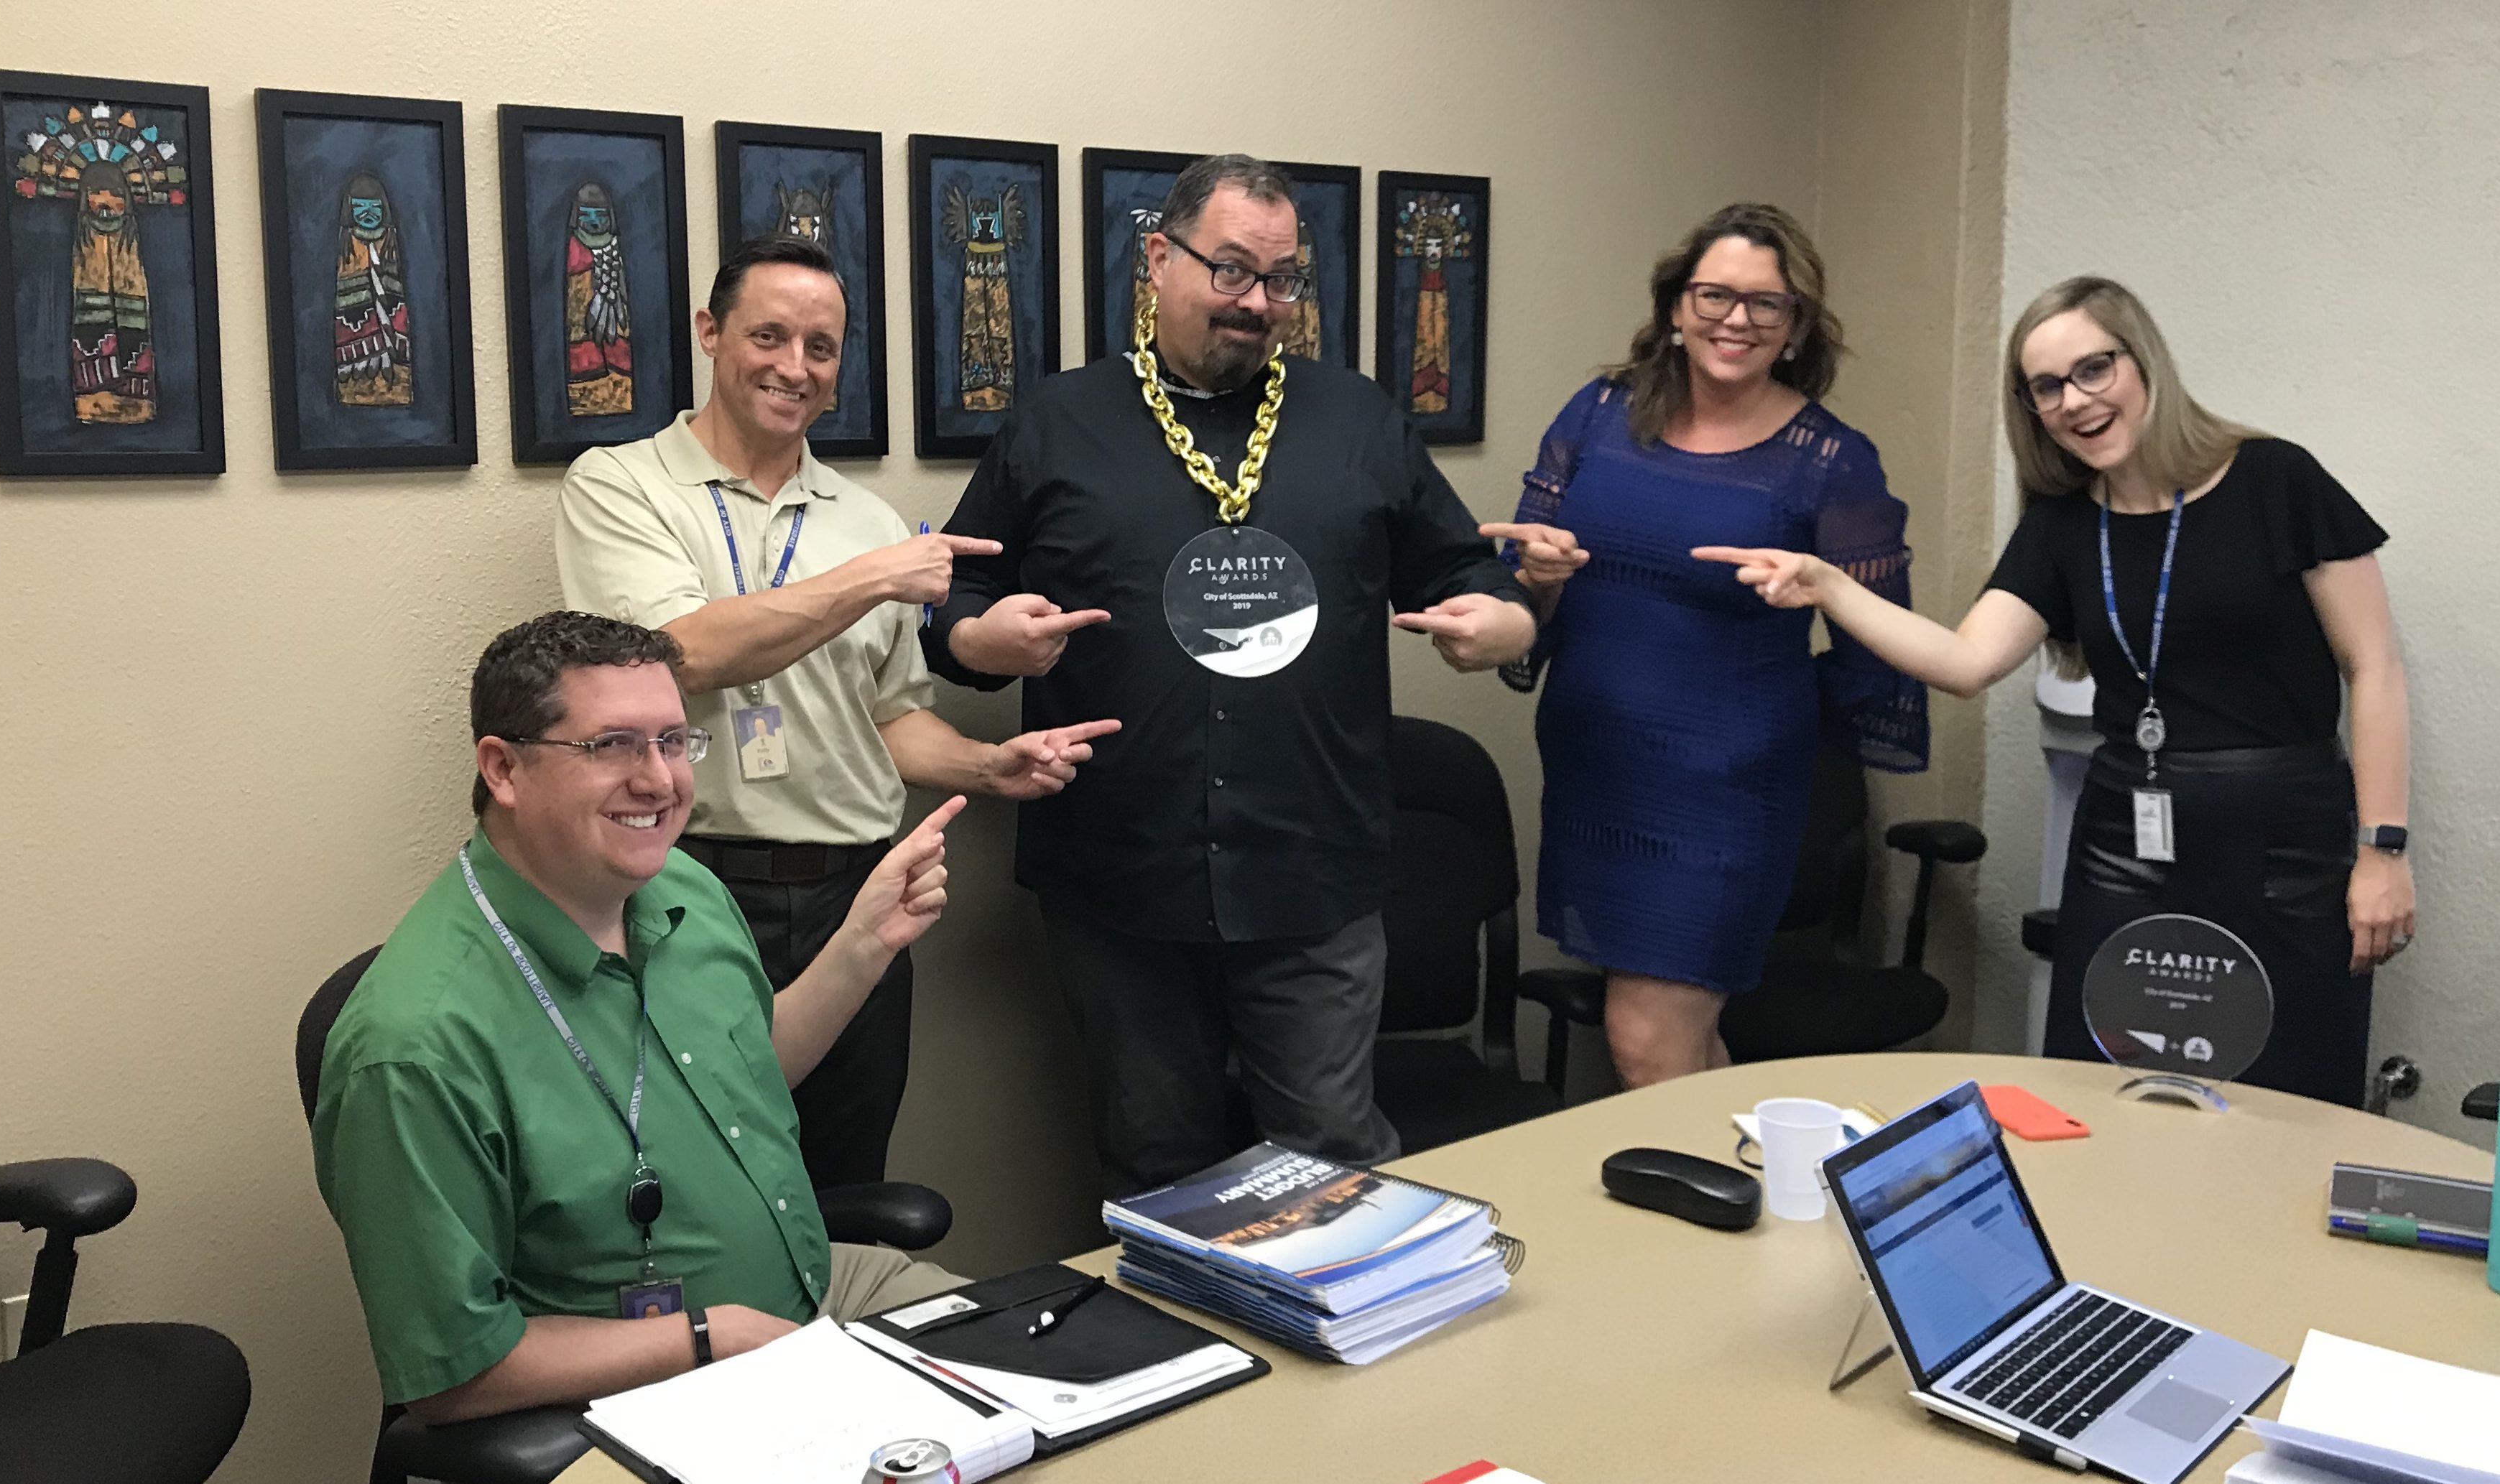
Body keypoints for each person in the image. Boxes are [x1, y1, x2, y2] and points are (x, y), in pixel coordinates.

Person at [923, 154, 1537, 1195]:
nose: (1260, 304)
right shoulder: (1055, 423)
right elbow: (953, 595)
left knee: (1331, 1170)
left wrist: (1506, 617)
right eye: (1233, 272)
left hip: (1312, 872)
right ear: (1157, 259)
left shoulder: (1358, 421)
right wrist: (978, 641)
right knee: (1152, 1168)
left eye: (1284, 279)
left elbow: (1467, 567)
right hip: (1120, 880)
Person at [1698, 276, 2412, 1108]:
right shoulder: (2063, 524)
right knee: (2110, 1092)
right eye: (2046, 386)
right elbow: (1965, 662)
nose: (2074, 400)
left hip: (2287, 839)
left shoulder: (2273, 478)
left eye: (2092, 369)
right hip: (2127, 844)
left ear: (2141, 363)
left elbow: (2374, 669)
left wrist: (2381, 850)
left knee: (2288, 1100)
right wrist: (1826, 585)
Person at [557, 235, 1116, 1191]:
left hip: (854, 899)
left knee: (839, 1185)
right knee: (691, 1178)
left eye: (820, 346)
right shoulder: (620, 485)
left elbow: (890, 719)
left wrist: (992, 765)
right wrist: (872, 578)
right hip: (688, 887)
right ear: (709, 332)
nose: (794, 366)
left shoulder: (867, 519)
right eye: (768, 335)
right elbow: (674, 654)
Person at [312, 612, 968, 1423]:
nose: (659, 780)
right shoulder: (414, 1045)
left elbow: (752, 1070)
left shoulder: (679, 887)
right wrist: (707, 1336)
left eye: (672, 741)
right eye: (614, 744)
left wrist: (860, 945)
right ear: (503, 767)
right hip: (658, 1385)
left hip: (807, 1288)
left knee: (1058, 1378)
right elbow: (453, 1373)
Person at [1483, 203, 1928, 1091]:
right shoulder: (1600, 411)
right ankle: (1745, 1204)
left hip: (1721, 792)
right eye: (1714, 294)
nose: (1737, 319)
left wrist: (1762, 711)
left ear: (1797, 324)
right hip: (1595, 770)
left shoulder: (1831, 461)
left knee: (1646, 1038)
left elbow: (1873, 650)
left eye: (1768, 303)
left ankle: (1690, 1213)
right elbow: (1523, 573)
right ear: (1674, 306)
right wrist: (1537, 574)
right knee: (1672, 1050)